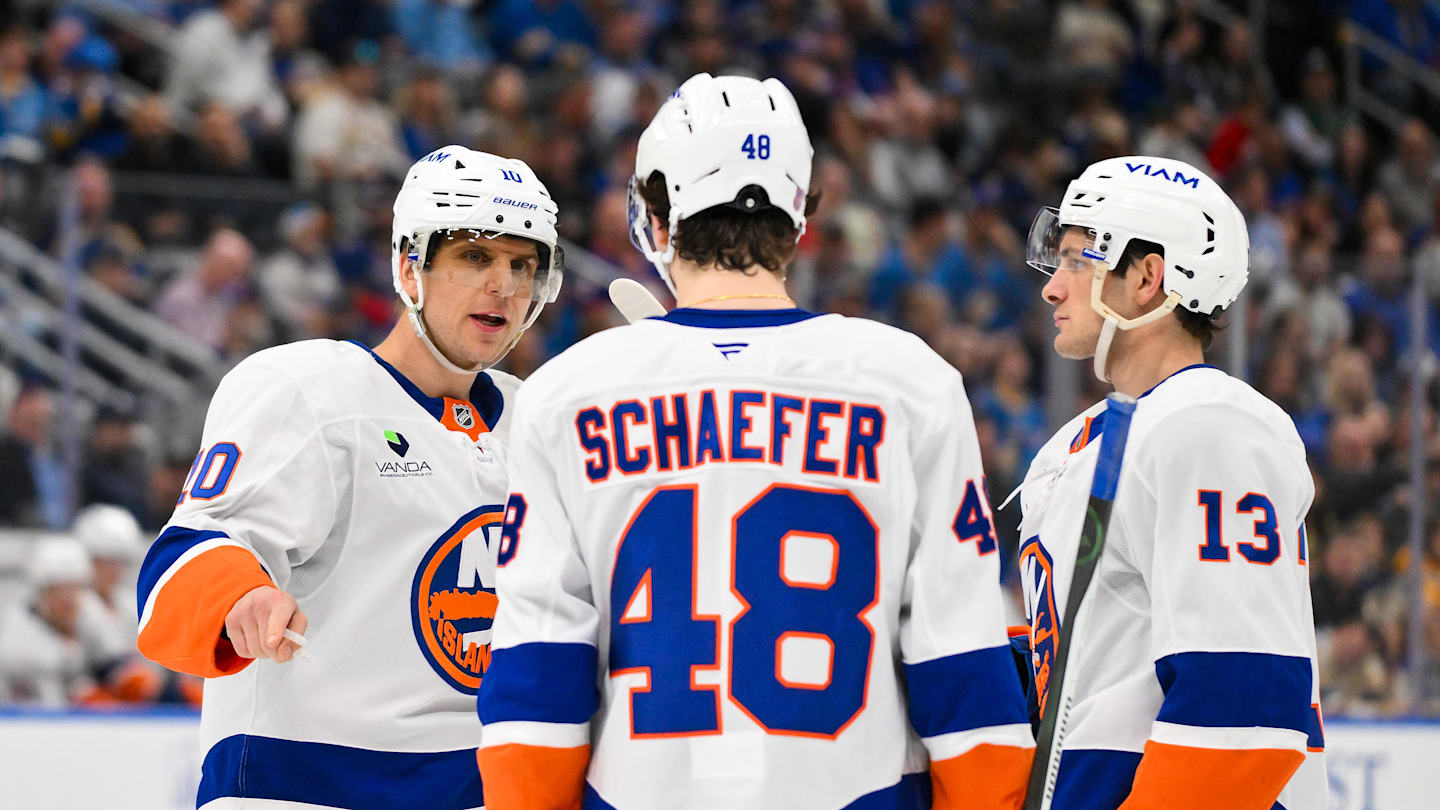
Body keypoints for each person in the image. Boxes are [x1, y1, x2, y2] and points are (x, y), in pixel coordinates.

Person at [477, 73, 1033, 810]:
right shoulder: (910, 381)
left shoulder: (566, 391)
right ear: (801, 214)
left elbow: (538, 686)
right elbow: (964, 672)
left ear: (657, 213)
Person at [135, 145, 563, 809]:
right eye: (476, 257)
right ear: (408, 266)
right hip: (300, 792)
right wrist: (239, 597)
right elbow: (187, 553)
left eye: (522, 264)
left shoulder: (537, 420)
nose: (505, 286)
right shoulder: (306, 390)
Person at [1014, 156, 1327, 809]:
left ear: (1149, 276)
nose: (1052, 287)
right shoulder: (1079, 444)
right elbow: (1085, 670)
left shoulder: (1207, 425)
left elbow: (1245, 703)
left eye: (1078, 261)